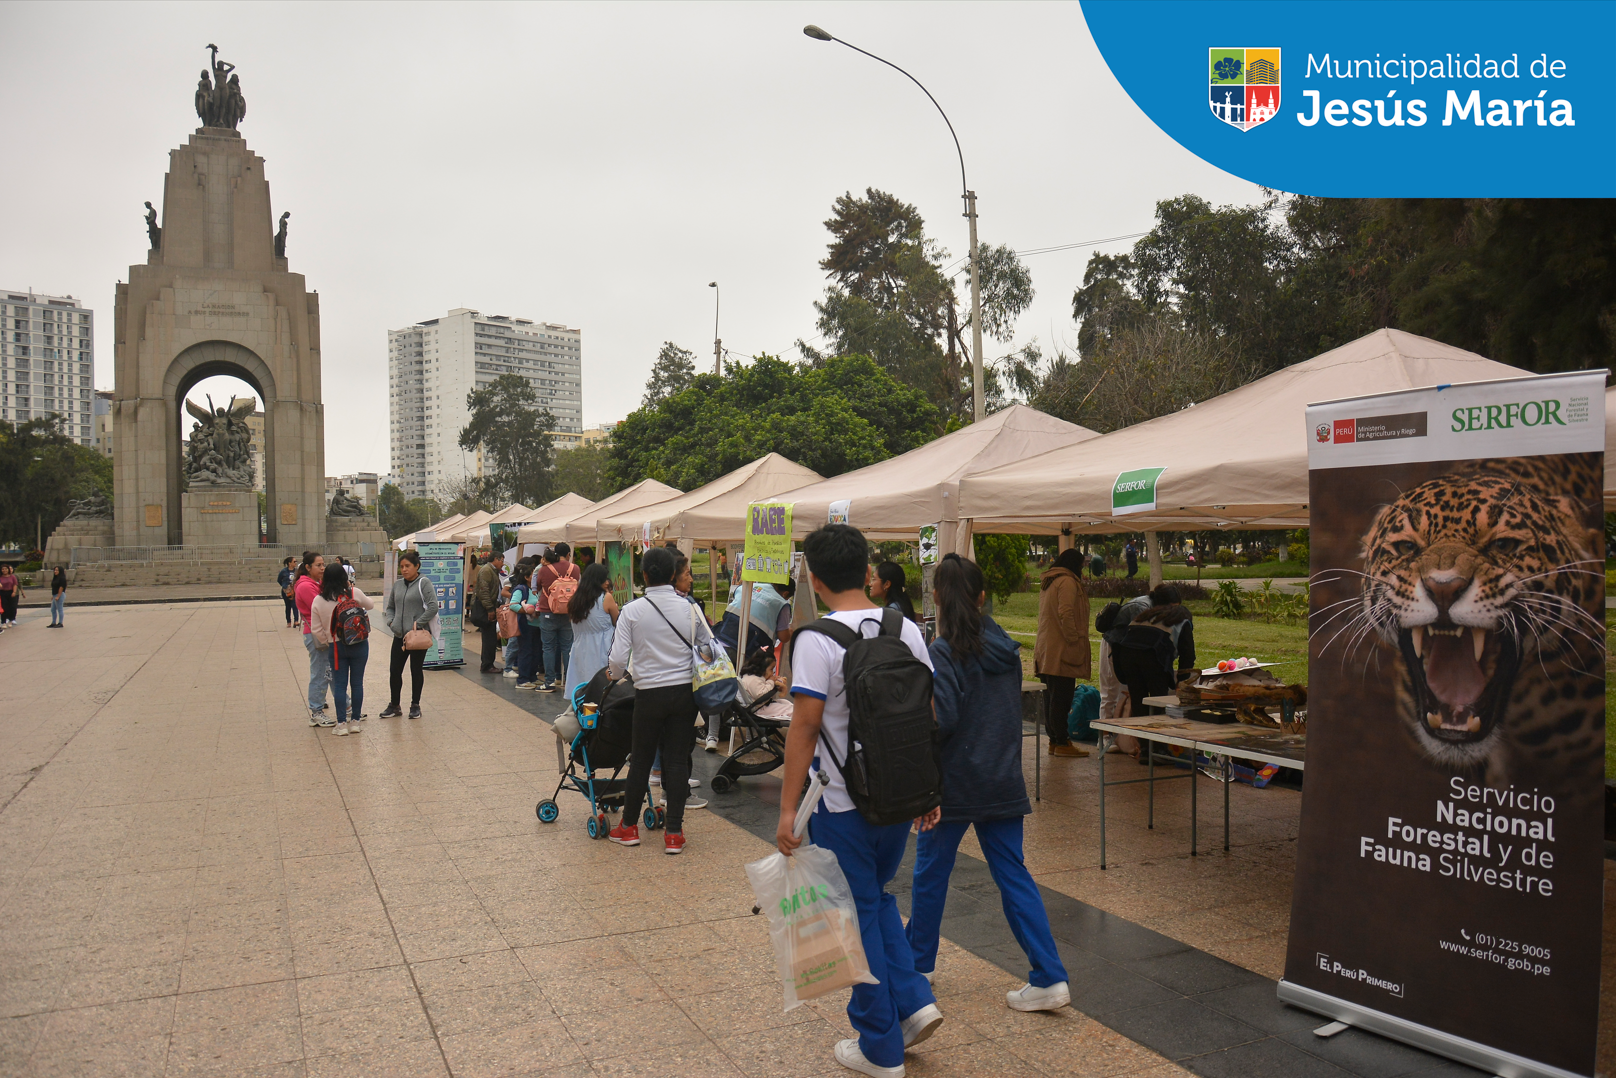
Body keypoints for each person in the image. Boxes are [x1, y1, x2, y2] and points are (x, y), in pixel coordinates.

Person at [776, 524, 941, 1077]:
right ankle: (915, 1004)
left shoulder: (814, 639)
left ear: (814, 579)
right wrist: (929, 789)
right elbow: (926, 716)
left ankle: (880, 1047)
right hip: (899, 797)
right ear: (870, 572)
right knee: (875, 898)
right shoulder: (906, 629)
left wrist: (785, 811)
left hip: (842, 804)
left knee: (854, 915)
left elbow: (803, 728)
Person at [906, 554, 1071, 1014]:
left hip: (956, 784)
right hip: (1002, 780)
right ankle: (1049, 975)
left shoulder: (943, 652)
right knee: (1013, 875)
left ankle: (919, 965)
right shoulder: (1004, 647)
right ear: (982, 597)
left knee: (930, 874)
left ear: (936, 597)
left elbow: (946, 721)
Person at [606, 546, 715, 855]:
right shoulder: (689, 609)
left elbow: (616, 660)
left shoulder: (632, 611)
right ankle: (675, 833)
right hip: (684, 694)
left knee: (640, 759)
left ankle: (628, 828)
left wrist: (616, 676)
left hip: (648, 694)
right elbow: (706, 650)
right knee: (677, 760)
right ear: (672, 574)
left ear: (643, 576)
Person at [1034, 549, 1091, 758]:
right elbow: (1066, 612)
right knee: (1062, 698)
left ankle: (1054, 740)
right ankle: (1061, 741)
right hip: (1062, 649)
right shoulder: (1067, 581)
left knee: (1052, 696)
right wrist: (1073, 638)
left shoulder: (1050, 580)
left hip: (1048, 648)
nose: (1082, 569)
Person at [310, 562, 373, 735]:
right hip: (359, 643)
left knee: (339, 685)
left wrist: (329, 640)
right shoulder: (354, 593)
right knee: (357, 683)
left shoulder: (319, 600)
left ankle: (341, 724)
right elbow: (370, 605)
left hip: (336, 648)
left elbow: (315, 629)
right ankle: (355, 721)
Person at [380, 549, 438, 720]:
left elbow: (433, 606)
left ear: (417, 566)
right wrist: (392, 622)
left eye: (408, 566)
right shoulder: (398, 585)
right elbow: (390, 607)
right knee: (394, 671)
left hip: (417, 636)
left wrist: (417, 624)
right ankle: (394, 705)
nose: (404, 570)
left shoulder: (424, 583)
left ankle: (415, 705)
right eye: (402, 567)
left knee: (415, 670)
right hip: (399, 635)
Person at [566, 562, 619, 703]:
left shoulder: (574, 601)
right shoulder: (605, 598)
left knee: (583, 688)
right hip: (602, 649)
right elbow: (617, 621)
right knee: (602, 691)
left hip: (581, 650)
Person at [535, 543, 581, 692]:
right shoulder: (575, 568)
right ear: (568, 554)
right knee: (567, 647)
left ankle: (549, 682)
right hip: (568, 612)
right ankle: (569, 681)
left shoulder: (545, 569)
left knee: (548, 647)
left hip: (548, 611)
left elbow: (538, 585)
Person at [294, 551, 332, 725]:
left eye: (323, 564)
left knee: (329, 671)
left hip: (323, 633)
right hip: (315, 634)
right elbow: (321, 609)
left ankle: (346, 706)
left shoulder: (315, 583)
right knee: (320, 673)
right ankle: (316, 710)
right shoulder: (305, 586)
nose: (322, 568)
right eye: (318, 565)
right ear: (308, 567)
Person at [507, 560, 540, 689]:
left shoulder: (535, 590)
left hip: (536, 625)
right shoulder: (521, 589)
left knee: (535, 651)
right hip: (526, 625)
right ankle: (523, 680)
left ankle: (532, 677)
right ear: (526, 577)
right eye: (533, 575)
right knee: (526, 651)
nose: (535, 577)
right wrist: (526, 611)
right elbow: (513, 605)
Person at [473, 552, 504, 674]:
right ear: (495, 559)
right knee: (488, 638)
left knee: (490, 638)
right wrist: (490, 609)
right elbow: (483, 591)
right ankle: (487, 664)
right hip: (486, 609)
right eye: (501, 560)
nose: (502, 563)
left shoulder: (492, 571)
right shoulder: (487, 571)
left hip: (490, 607)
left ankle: (488, 663)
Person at [278, 556, 299, 628]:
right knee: (288, 606)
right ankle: (288, 621)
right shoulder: (284, 571)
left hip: (294, 590)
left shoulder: (297, 571)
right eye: (294, 562)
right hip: (286, 591)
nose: (295, 563)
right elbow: (279, 579)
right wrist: (284, 586)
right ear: (289, 563)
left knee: (295, 605)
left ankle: (296, 620)